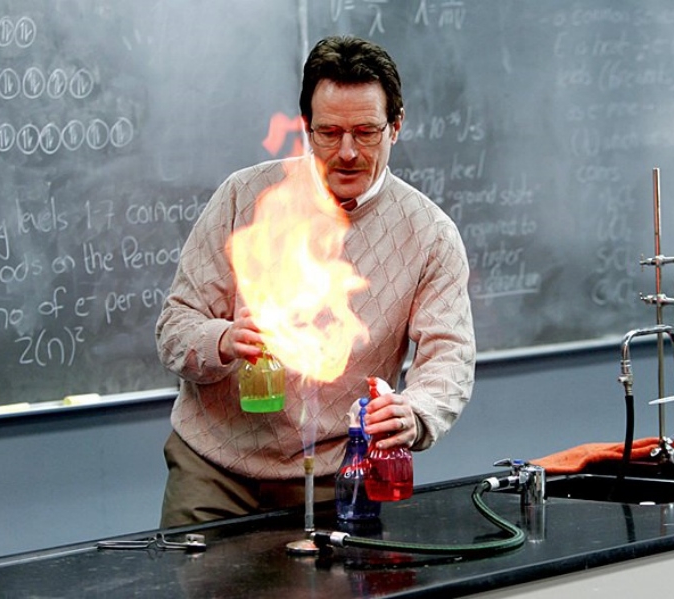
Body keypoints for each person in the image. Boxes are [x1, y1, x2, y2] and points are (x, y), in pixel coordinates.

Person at [155, 35, 475, 527]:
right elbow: (174, 328)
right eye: (329, 132)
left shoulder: (429, 234)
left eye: (365, 132)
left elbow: (449, 356)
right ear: (306, 127)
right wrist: (221, 340)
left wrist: (415, 411)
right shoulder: (245, 197)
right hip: (215, 470)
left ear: (396, 127)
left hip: (339, 474)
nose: (346, 152)